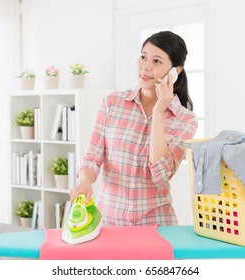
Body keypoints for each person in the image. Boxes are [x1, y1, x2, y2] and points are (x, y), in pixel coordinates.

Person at [70, 31, 198, 226]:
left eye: (157, 61)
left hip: (156, 224)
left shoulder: (186, 120)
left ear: (175, 71)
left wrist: (158, 112)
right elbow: (92, 157)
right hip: (109, 223)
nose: (145, 66)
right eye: (143, 57)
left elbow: (161, 176)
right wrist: (84, 180)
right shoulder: (112, 104)